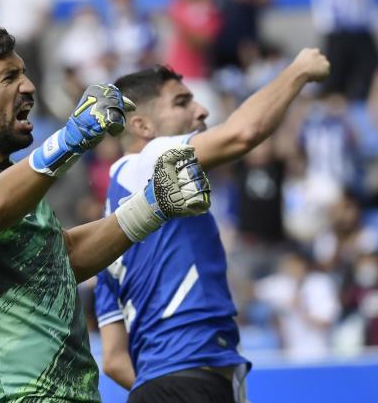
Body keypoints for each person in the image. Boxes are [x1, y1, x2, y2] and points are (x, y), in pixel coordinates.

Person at [0, 24, 213, 401]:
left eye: (23, 72)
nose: (29, 86)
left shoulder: (18, 184)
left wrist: (152, 206)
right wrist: (72, 137)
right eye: (8, 77)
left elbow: (62, 257)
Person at [94, 47, 330, 402]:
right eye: (181, 103)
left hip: (158, 387)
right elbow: (243, 134)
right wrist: (298, 70)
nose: (201, 110)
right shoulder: (151, 159)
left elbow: (113, 360)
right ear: (142, 126)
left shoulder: (105, 234)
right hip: (191, 377)